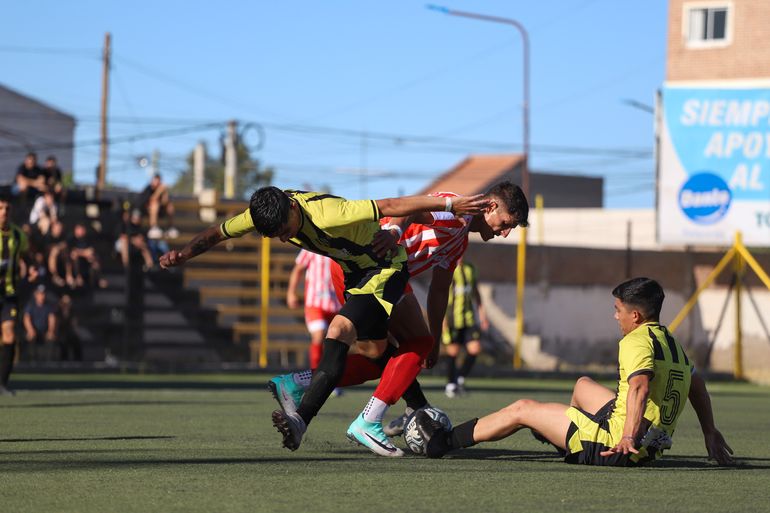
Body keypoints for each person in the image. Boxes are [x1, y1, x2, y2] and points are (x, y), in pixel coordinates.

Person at [159, 186, 489, 456]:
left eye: (285, 232)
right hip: (354, 273)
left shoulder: (331, 212)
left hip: (383, 268)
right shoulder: (265, 213)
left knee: (370, 349)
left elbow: (392, 204)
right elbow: (217, 232)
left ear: (292, 208)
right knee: (374, 348)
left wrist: (450, 204)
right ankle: (343, 409)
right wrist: (184, 254)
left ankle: (310, 397)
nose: (285, 240)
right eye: (275, 237)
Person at [268, 181, 529, 445]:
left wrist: (436, 341)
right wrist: (394, 231)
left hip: (374, 274)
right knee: (412, 345)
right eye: (507, 223)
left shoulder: (459, 241)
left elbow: (439, 292)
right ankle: (371, 420)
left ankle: (297, 384)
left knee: (380, 356)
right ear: (491, 206)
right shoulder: (457, 213)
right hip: (370, 268)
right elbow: (412, 209)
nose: (505, 233)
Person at [414, 277, 735, 467]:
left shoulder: (635, 342)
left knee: (522, 409)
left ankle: (441, 442)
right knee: (583, 385)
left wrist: (625, 437)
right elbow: (697, 386)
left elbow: (639, 387)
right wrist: (710, 431)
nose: (615, 317)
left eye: (618, 311)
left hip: (618, 447)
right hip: (648, 446)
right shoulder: (670, 341)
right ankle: (562, 437)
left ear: (635, 315)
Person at [286, 250, 342, 371]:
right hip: (315, 302)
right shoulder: (311, 245)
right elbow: (298, 268)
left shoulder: (341, 245)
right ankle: (315, 375)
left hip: (337, 303)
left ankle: (333, 378)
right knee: (319, 334)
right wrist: (291, 292)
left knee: (336, 342)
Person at [442, 256, 488, 398]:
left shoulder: (471, 268)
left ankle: (460, 378)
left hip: (469, 318)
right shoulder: (447, 269)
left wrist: (482, 314)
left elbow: (475, 292)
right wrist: (442, 321)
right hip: (452, 319)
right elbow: (441, 296)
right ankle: (451, 384)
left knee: (475, 348)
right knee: (453, 352)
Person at [0, 196, 28, 395]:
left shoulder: (18, 235)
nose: (4, 212)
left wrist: (29, 269)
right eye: (0, 208)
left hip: (9, 293)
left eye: (7, 208)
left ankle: (2, 383)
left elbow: (25, 257)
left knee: (9, 335)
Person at [23, 284, 57, 362]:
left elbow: (52, 319)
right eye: (40, 294)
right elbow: (26, 318)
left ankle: (49, 362)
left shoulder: (48, 306)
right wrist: (30, 330)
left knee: (51, 337)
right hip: (34, 331)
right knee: (30, 337)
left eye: (43, 294)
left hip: (44, 331)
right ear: (36, 295)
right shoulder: (30, 305)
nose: (42, 296)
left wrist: (50, 331)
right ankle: (32, 360)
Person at [139, 174, 178, 239]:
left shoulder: (162, 189)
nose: (157, 183)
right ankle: (153, 227)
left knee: (170, 206)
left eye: (158, 181)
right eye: (155, 181)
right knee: (155, 204)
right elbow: (152, 200)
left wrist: (165, 192)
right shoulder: (148, 189)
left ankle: (171, 228)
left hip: (160, 211)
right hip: (147, 211)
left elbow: (165, 202)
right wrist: (159, 191)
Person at [56, 294, 82, 361]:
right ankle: (64, 361)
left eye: (68, 303)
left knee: (76, 341)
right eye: (64, 303)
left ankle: (78, 361)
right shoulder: (57, 312)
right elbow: (56, 325)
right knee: (63, 341)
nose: (66, 305)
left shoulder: (72, 312)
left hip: (70, 333)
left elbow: (74, 325)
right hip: (60, 333)